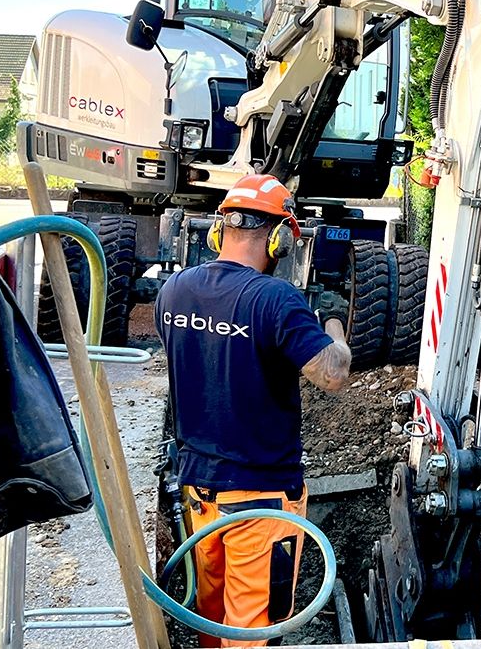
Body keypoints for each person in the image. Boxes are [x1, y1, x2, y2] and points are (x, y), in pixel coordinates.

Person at [155, 173, 350, 647]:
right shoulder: (275, 299)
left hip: (199, 492)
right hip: (261, 502)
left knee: (211, 617)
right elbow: (332, 375)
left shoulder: (175, 292)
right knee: (251, 633)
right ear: (280, 238)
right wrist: (334, 324)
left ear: (220, 231)